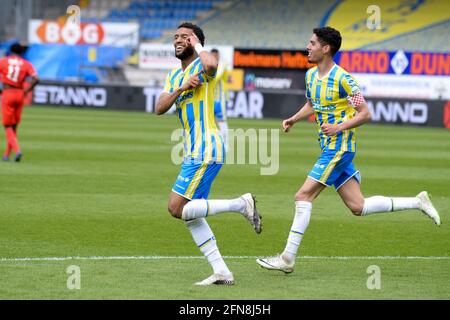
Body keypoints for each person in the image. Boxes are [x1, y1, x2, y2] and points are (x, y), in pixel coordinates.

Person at [256, 27, 441, 274]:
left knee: (302, 196)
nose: (307, 47)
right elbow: (313, 103)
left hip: (340, 147)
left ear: (326, 48)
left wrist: (339, 126)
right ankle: (418, 202)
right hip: (329, 146)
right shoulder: (311, 76)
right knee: (358, 206)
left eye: (312, 43)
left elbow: (365, 113)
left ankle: (287, 258)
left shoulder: (344, 79)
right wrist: (294, 118)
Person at [155, 22, 262, 286]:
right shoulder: (173, 76)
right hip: (193, 148)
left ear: (195, 42)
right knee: (192, 215)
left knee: (175, 207)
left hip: (207, 146)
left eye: (185, 37)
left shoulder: (203, 66)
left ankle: (241, 204)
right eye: (176, 36)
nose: (178, 40)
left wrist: (198, 45)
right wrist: (181, 88)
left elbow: (212, 65)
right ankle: (222, 271)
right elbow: (159, 107)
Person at [0, 42, 39, 162]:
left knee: (7, 125)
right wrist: (27, 90)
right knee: (14, 126)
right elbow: (36, 78)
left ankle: (17, 151)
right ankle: (6, 155)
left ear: (10, 50)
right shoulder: (26, 64)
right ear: (22, 52)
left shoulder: (4, 61)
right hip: (20, 94)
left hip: (8, 92)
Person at [210, 48, 230, 151]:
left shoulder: (222, 64)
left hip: (221, 98)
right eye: (212, 55)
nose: (214, 57)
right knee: (208, 121)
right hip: (211, 97)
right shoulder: (209, 65)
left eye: (215, 55)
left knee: (222, 121)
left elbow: (216, 77)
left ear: (218, 56)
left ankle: (225, 145)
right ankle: (211, 144)